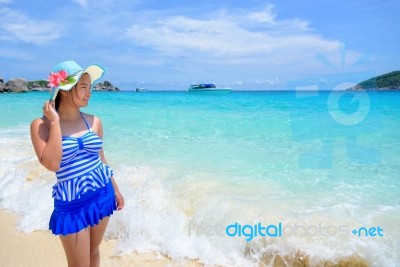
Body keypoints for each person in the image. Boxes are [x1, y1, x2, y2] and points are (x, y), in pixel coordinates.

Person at [30, 60, 124, 267]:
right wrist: (55, 122)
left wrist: (116, 189)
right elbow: (53, 164)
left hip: (102, 193)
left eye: (90, 87)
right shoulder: (41, 126)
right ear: (64, 90)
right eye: (83, 87)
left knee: (93, 253)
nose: (89, 92)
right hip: (72, 205)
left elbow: (101, 159)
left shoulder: (94, 121)